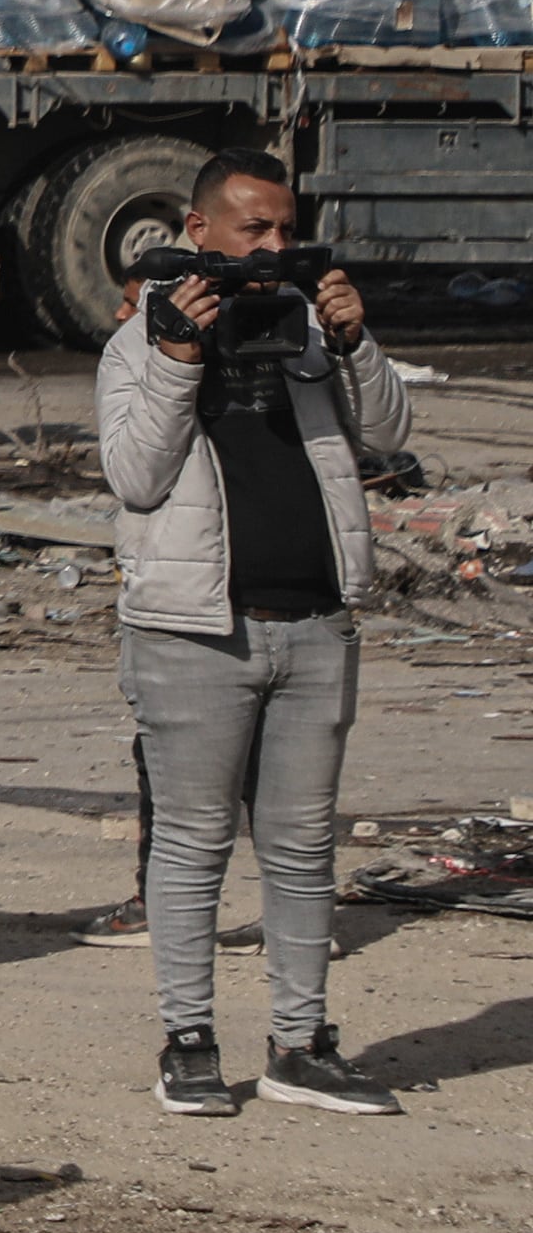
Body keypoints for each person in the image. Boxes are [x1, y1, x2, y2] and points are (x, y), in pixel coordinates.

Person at [100, 149, 408, 1119]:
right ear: (197, 233)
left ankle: (298, 1042)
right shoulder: (135, 344)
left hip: (315, 624)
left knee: (301, 846)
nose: (272, 248)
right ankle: (186, 1041)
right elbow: (135, 477)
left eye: (284, 229)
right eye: (252, 230)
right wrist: (175, 359)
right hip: (194, 632)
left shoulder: (310, 330)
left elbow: (389, 435)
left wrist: (355, 343)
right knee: (190, 845)